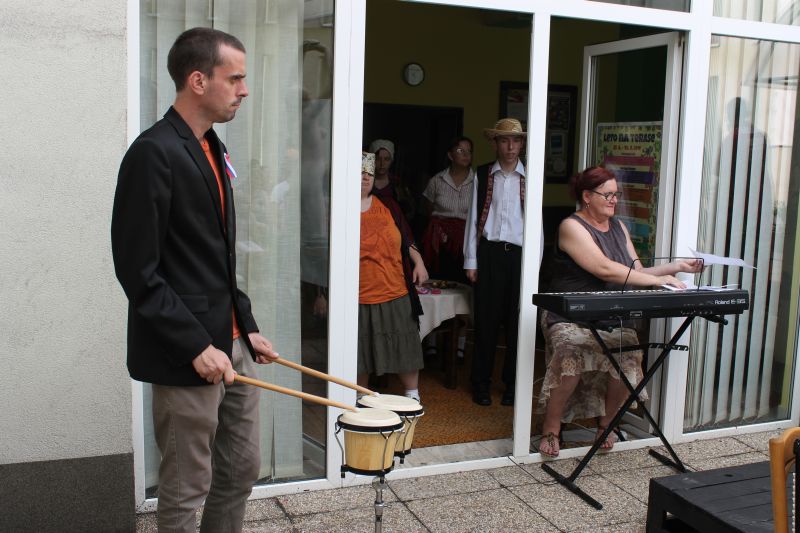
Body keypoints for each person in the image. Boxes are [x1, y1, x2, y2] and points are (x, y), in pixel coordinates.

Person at [111, 28, 279, 532]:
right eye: (236, 78)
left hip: (233, 343)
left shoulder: (210, 146)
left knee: (241, 469)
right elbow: (137, 270)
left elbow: (214, 257)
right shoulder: (153, 152)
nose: (244, 90)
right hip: (190, 352)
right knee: (186, 489)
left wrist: (246, 325)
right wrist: (194, 345)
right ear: (198, 80)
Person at [536, 166, 703, 457]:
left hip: (610, 315)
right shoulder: (571, 226)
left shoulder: (619, 227)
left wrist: (676, 267)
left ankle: (607, 424)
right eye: (608, 194)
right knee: (570, 352)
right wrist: (657, 281)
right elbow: (603, 268)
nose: (614, 200)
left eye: (617, 194)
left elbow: (635, 272)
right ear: (587, 196)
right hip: (570, 315)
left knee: (628, 356)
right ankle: (552, 427)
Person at [463, 118, 527, 407]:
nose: (510, 147)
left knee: (516, 324)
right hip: (489, 253)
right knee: (486, 322)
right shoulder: (483, 174)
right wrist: (471, 260)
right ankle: (481, 383)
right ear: (495, 143)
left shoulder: (529, 176)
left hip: (519, 257)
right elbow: (473, 218)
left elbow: (536, 225)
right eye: (504, 140)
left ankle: (513, 385)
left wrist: (533, 266)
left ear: (522, 144)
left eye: (515, 140)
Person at [357, 152, 428, 402]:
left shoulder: (388, 206)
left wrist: (419, 262)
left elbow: (406, 238)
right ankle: (360, 397)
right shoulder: (339, 208)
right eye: (360, 173)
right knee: (361, 348)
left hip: (395, 289)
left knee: (404, 343)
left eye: (369, 173)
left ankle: (412, 395)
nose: (365, 178)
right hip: (360, 294)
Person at [420, 136, 475, 359]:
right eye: (460, 150)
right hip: (438, 243)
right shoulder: (437, 181)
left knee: (462, 290)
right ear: (450, 155)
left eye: (469, 151)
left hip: (464, 243)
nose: (466, 155)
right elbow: (428, 209)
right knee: (436, 287)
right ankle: (432, 340)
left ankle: (459, 344)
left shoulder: (477, 181)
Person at [369, 138, 417, 230]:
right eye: (378, 159)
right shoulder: (364, 183)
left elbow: (408, 213)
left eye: (386, 159)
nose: (382, 163)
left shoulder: (398, 184)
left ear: (391, 161)